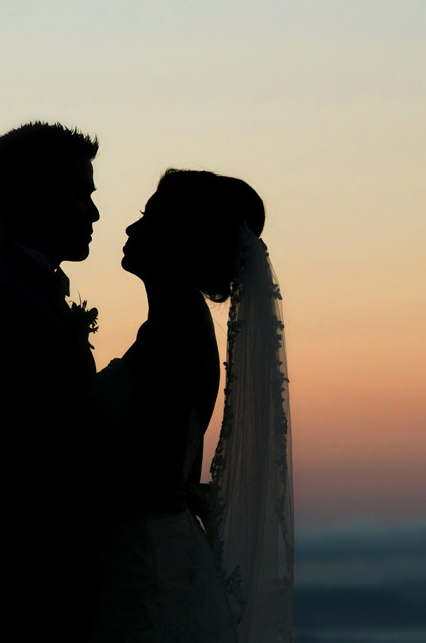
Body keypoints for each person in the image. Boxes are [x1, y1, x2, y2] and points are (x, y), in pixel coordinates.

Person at [0, 122, 170, 642]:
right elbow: (36, 456)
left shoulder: (20, 292)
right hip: (22, 598)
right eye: (81, 193)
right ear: (34, 197)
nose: (94, 212)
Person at [89, 170, 294, 643]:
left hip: (145, 567)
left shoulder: (175, 333)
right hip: (153, 556)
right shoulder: (174, 324)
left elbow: (156, 479)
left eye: (148, 217)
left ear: (180, 240)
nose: (130, 229)